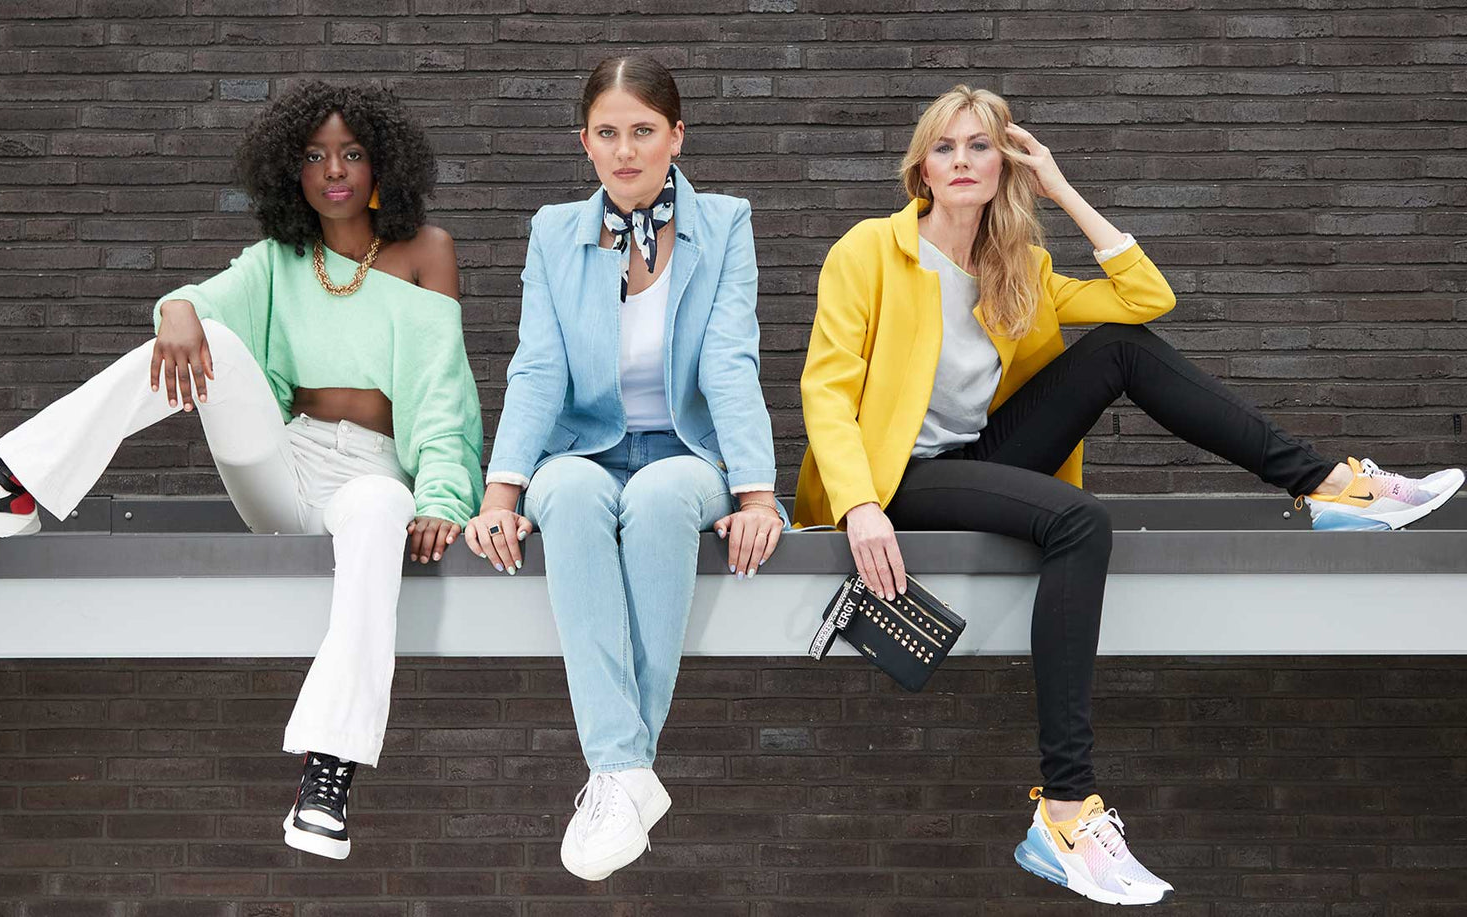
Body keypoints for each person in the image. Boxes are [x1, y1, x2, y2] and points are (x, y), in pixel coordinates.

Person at [793, 84, 1463, 906]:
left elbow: (1148, 299)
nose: (962, 161)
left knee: (1122, 347)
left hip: (981, 457)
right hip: (896, 479)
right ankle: (1065, 810)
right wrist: (860, 504)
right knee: (1080, 520)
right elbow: (827, 389)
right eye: (945, 147)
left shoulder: (1018, 268)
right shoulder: (869, 251)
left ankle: (1327, 484)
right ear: (922, 168)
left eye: (980, 146)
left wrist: (1061, 188)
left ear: (1005, 165)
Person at [0, 82, 486, 862]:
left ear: (382, 165)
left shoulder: (426, 250)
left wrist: (442, 497)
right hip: (285, 462)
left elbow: (442, 389)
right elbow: (198, 303)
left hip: (375, 474)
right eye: (314, 155)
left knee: (376, 508)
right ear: (291, 170)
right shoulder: (278, 260)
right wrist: (175, 308)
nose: (334, 170)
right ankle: (14, 480)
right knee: (212, 340)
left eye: (353, 153)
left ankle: (328, 769)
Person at [463, 56, 785, 882]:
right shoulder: (553, 231)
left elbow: (730, 360)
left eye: (643, 131)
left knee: (661, 493)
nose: (626, 149)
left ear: (677, 136)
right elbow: (538, 366)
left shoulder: (726, 223)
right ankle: (625, 769)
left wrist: (756, 494)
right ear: (585, 142)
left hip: (686, 453)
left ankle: (617, 771)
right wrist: (500, 492)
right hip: (586, 447)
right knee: (567, 492)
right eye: (607, 133)